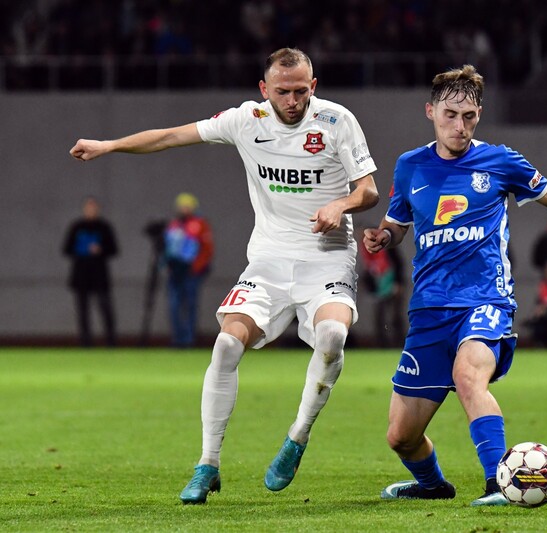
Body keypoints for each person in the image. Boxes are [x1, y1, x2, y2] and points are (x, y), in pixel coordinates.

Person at [70, 47, 379, 504]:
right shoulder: (246, 120)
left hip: (327, 258)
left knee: (333, 336)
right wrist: (110, 145)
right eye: (282, 92)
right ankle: (207, 463)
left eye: (300, 91)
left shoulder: (337, 122)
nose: (292, 101)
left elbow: (369, 189)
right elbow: (172, 136)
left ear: (313, 87)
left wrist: (341, 204)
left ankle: (297, 436)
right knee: (226, 343)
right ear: (264, 89)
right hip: (270, 260)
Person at [363, 65, 547, 506]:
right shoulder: (410, 166)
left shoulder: (500, 161)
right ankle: (432, 486)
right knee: (400, 437)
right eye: (450, 114)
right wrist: (383, 236)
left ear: (479, 115)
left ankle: (498, 483)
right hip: (428, 310)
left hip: (485, 301)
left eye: (468, 116)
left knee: (468, 376)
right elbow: (398, 222)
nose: (459, 126)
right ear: (430, 112)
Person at [62, 196, 119, 347]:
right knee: (82, 311)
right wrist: (80, 249)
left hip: (99, 274)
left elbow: (114, 249)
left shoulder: (104, 227)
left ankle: (111, 341)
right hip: (81, 274)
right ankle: (85, 342)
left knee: (105, 308)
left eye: (94, 207)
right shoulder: (77, 227)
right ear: (84, 209)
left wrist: (101, 250)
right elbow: (66, 248)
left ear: (98, 209)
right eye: (88, 207)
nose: (91, 210)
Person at [164, 192, 214, 348]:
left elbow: (207, 249)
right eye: (181, 206)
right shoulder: (173, 225)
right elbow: (167, 248)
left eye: (187, 206)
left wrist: (196, 267)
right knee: (174, 305)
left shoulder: (200, 224)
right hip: (175, 272)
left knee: (190, 305)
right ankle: (177, 338)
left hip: (191, 273)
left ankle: (189, 339)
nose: (184, 209)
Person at [357, 234, 406, 347]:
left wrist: (398, 283)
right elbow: (368, 269)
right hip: (379, 287)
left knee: (395, 317)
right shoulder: (366, 252)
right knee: (379, 316)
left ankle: (398, 344)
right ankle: (382, 344)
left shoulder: (387, 248)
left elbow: (398, 264)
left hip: (391, 283)